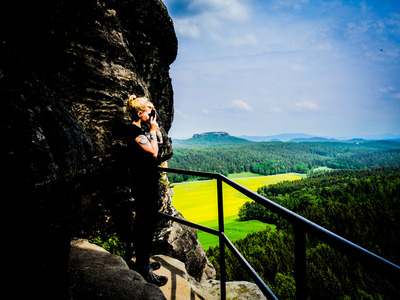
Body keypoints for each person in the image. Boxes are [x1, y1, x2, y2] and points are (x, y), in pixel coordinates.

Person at [124, 94, 168, 287]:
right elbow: (153, 151)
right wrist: (151, 129)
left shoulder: (141, 130)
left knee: (147, 223)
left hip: (147, 182)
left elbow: (159, 142)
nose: (152, 113)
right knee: (145, 224)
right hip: (142, 184)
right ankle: (144, 269)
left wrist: (154, 127)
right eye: (149, 110)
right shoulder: (133, 131)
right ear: (140, 112)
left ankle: (143, 261)